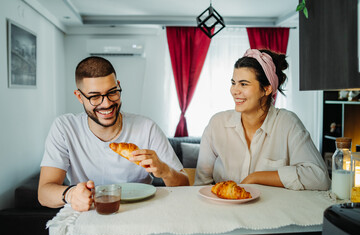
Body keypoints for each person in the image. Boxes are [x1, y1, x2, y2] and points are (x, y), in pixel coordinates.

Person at [38, 56, 189, 212]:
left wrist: (165, 171)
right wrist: (71, 194)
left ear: (118, 86)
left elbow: (185, 186)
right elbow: (44, 193)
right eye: (95, 97)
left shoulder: (147, 127)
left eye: (112, 92)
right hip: (88, 216)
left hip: (140, 215)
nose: (107, 103)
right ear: (79, 97)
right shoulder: (64, 128)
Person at [194, 49, 330, 190]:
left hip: (272, 211)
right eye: (233, 83)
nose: (234, 90)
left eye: (244, 84)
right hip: (222, 209)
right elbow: (201, 184)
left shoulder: (288, 123)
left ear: (267, 89)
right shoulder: (217, 124)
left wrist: (256, 177)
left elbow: (319, 178)